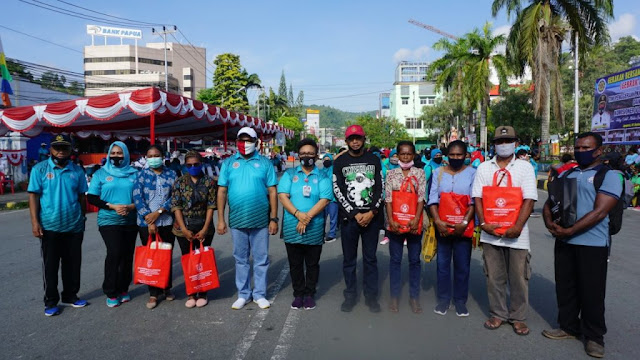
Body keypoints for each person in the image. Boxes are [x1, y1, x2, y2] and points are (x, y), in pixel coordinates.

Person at [542, 132, 622, 358]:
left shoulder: (609, 176)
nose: (580, 152)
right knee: (565, 287)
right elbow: (551, 201)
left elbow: (599, 212)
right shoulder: (570, 173)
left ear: (599, 151)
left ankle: (595, 337)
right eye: (577, 148)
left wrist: (569, 230)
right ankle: (568, 327)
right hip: (565, 241)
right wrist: (550, 224)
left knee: (592, 292)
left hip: (593, 243)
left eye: (586, 148)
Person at [472, 126, 537, 336]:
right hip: (490, 232)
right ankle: (498, 313)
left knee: (519, 277)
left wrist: (517, 226)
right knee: (493, 276)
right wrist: (483, 223)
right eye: (499, 142)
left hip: (517, 235)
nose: (503, 145)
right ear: (494, 144)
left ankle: (518, 317)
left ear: (515, 142)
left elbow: (530, 199)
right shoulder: (484, 168)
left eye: (507, 140)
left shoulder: (525, 168)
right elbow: (478, 198)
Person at [217, 127, 278, 310]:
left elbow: (273, 191)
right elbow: (221, 191)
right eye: (241, 140)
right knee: (241, 259)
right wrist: (220, 219)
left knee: (261, 259)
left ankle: (259, 294)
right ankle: (243, 294)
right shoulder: (228, 164)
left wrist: (274, 218)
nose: (245, 144)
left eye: (248, 140)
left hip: (260, 220)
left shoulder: (265, 163)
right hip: (237, 220)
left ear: (256, 142)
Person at [28, 134, 89, 316]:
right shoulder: (39, 170)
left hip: (74, 226)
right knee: (51, 266)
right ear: (50, 149)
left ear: (70, 150)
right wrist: (34, 222)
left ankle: (71, 296)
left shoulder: (77, 171)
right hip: (49, 226)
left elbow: (81, 197)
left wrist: (82, 218)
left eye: (64, 148)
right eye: (57, 148)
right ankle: (51, 302)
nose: (61, 151)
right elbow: (33, 196)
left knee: (73, 264)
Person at [332, 125, 384, 313]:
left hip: (371, 219)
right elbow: (337, 190)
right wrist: (353, 213)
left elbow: (380, 187)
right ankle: (350, 296)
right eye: (351, 138)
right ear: (346, 141)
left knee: (370, 259)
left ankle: (371, 297)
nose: (355, 141)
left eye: (358, 138)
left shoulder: (374, 160)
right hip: (349, 220)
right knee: (349, 260)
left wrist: (372, 212)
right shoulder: (340, 162)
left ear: (364, 140)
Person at [278, 138, 332, 310]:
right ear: (298, 155)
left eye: (310, 153)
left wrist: (306, 217)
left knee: (312, 264)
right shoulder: (289, 174)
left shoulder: (322, 175)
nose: (306, 156)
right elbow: (282, 196)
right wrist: (298, 214)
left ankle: (309, 293)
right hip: (292, 226)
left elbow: (325, 199)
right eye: (303, 153)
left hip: (314, 227)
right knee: (295, 264)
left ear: (316, 155)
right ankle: (298, 293)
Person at [87, 141, 139, 308]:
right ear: (109, 154)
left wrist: (131, 207)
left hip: (131, 219)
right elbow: (92, 197)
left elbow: (142, 195)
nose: (116, 156)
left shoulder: (135, 173)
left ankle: (124, 288)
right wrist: (113, 206)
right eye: (113, 153)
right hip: (108, 219)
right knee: (115, 252)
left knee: (127, 254)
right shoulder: (100, 174)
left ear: (126, 154)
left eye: (120, 153)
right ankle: (110, 290)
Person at [428, 140, 476, 317]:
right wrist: (438, 221)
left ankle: (460, 301)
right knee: (442, 265)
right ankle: (443, 299)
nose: (456, 158)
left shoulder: (473, 173)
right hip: (443, 227)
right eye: (452, 155)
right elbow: (432, 199)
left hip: (463, 228)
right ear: (447, 155)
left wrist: (463, 223)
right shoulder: (437, 173)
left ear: (465, 156)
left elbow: (474, 201)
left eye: (459, 155)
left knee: (462, 265)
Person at [133, 145, 178, 309]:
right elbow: (138, 198)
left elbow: (175, 196)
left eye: (156, 155)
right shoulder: (141, 175)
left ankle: (166, 288)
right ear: (146, 157)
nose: (153, 158)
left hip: (166, 221)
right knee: (152, 257)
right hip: (146, 223)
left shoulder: (171, 174)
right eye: (150, 155)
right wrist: (149, 220)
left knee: (165, 256)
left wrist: (159, 212)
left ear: (162, 156)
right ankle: (153, 292)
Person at [171, 150, 217, 308]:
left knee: (203, 260)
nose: (192, 167)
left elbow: (211, 206)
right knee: (188, 260)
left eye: (196, 164)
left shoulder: (209, 182)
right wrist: (183, 229)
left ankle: (203, 291)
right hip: (183, 227)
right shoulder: (179, 182)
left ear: (201, 164)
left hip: (204, 226)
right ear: (185, 166)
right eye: (189, 165)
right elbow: (176, 206)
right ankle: (191, 292)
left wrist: (205, 229)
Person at [385, 141, 426, 313]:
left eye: (409, 154)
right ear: (397, 155)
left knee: (415, 260)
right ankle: (394, 297)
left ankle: (414, 297)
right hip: (395, 223)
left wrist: (417, 219)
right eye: (402, 153)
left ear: (414, 155)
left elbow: (421, 198)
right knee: (395, 260)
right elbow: (388, 199)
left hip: (414, 223)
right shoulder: (391, 174)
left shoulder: (420, 173)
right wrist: (391, 220)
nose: (406, 156)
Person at [380, 149, 400, 245]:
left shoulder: (402, 167)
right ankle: (387, 236)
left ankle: (402, 237)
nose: (395, 158)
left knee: (399, 216)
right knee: (387, 216)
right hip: (387, 195)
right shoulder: (385, 166)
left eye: (397, 156)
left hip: (400, 196)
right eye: (393, 156)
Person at [321, 153, 339, 243]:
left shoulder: (334, 170)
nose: (326, 161)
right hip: (322, 199)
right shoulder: (320, 171)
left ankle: (332, 234)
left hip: (333, 199)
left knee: (333, 217)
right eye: (325, 159)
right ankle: (321, 233)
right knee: (322, 217)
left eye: (328, 159)